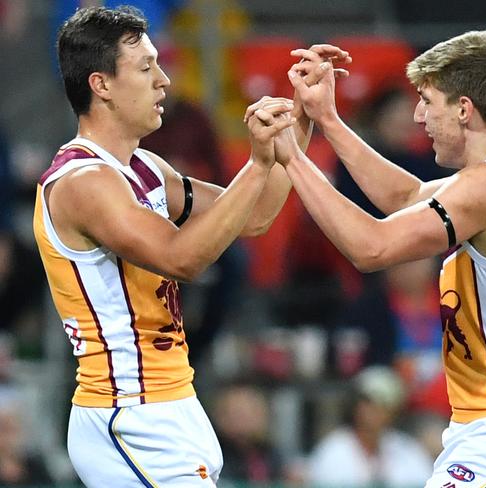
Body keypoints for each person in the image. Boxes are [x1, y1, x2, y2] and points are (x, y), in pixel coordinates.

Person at [33, 6, 349, 487]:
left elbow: (255, 216)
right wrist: (257, 163)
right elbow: (182, 259)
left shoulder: (144, 166)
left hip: (172, 398)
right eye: (146, 67)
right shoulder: (83, 181)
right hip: (128, 412)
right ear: (101, 84)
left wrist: (298, 119)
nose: (164, 81)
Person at [264, 30, 486, 486]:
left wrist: (292, 157)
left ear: (465, 109)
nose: (418, 114)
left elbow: (371, 247)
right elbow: (406, 196)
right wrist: (328, 119)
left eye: (428, 101)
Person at [307, 366, 434, 487]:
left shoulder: (408, 450)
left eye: (384, 403)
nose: (373, 410)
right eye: (368, 401)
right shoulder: (333, 451)